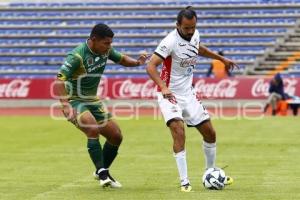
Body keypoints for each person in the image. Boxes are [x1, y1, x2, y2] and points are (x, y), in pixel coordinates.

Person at [146, 6, 238, 192]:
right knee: (179, 130)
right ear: (178, 25)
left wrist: (221, 59)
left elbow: (198, 49)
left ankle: (210, 173)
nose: (190, 31)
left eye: (193, 27)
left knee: (210, 133)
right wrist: (163, 87)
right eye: (187, 28)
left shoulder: (195, 35)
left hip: (188, 93)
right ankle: (184, 182)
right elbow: (150, 66)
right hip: (169, 94)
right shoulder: (169, 41)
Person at [54, 23, 147, 188]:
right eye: (106, 43)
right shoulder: (77, 56)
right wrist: (65, 105)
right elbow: (58, 81)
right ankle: (103, 174)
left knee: (116, 135)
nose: (109, 47)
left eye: (110, 43)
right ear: (94, 40)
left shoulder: (105, 50)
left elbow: (122, 59)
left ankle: (101, 171)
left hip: (93, 100)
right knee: (92, 128)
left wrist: (137, 63)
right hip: (75, 100)